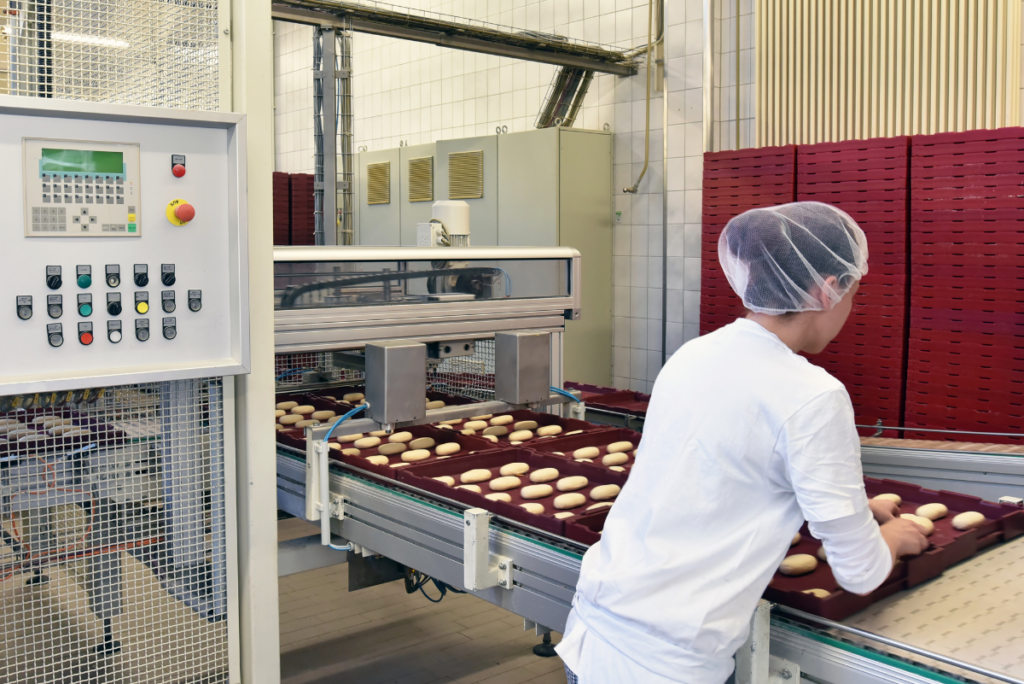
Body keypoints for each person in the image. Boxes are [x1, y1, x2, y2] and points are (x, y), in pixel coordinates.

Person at [556, 202, 929, 684]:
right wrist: (892, 539)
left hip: (595, 625)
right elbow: (859, 571)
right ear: (828, 289)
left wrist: (852, 509)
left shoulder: (695, 354)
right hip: (667, 660)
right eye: (853, 294)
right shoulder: (813, 394)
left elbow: (730, 473)